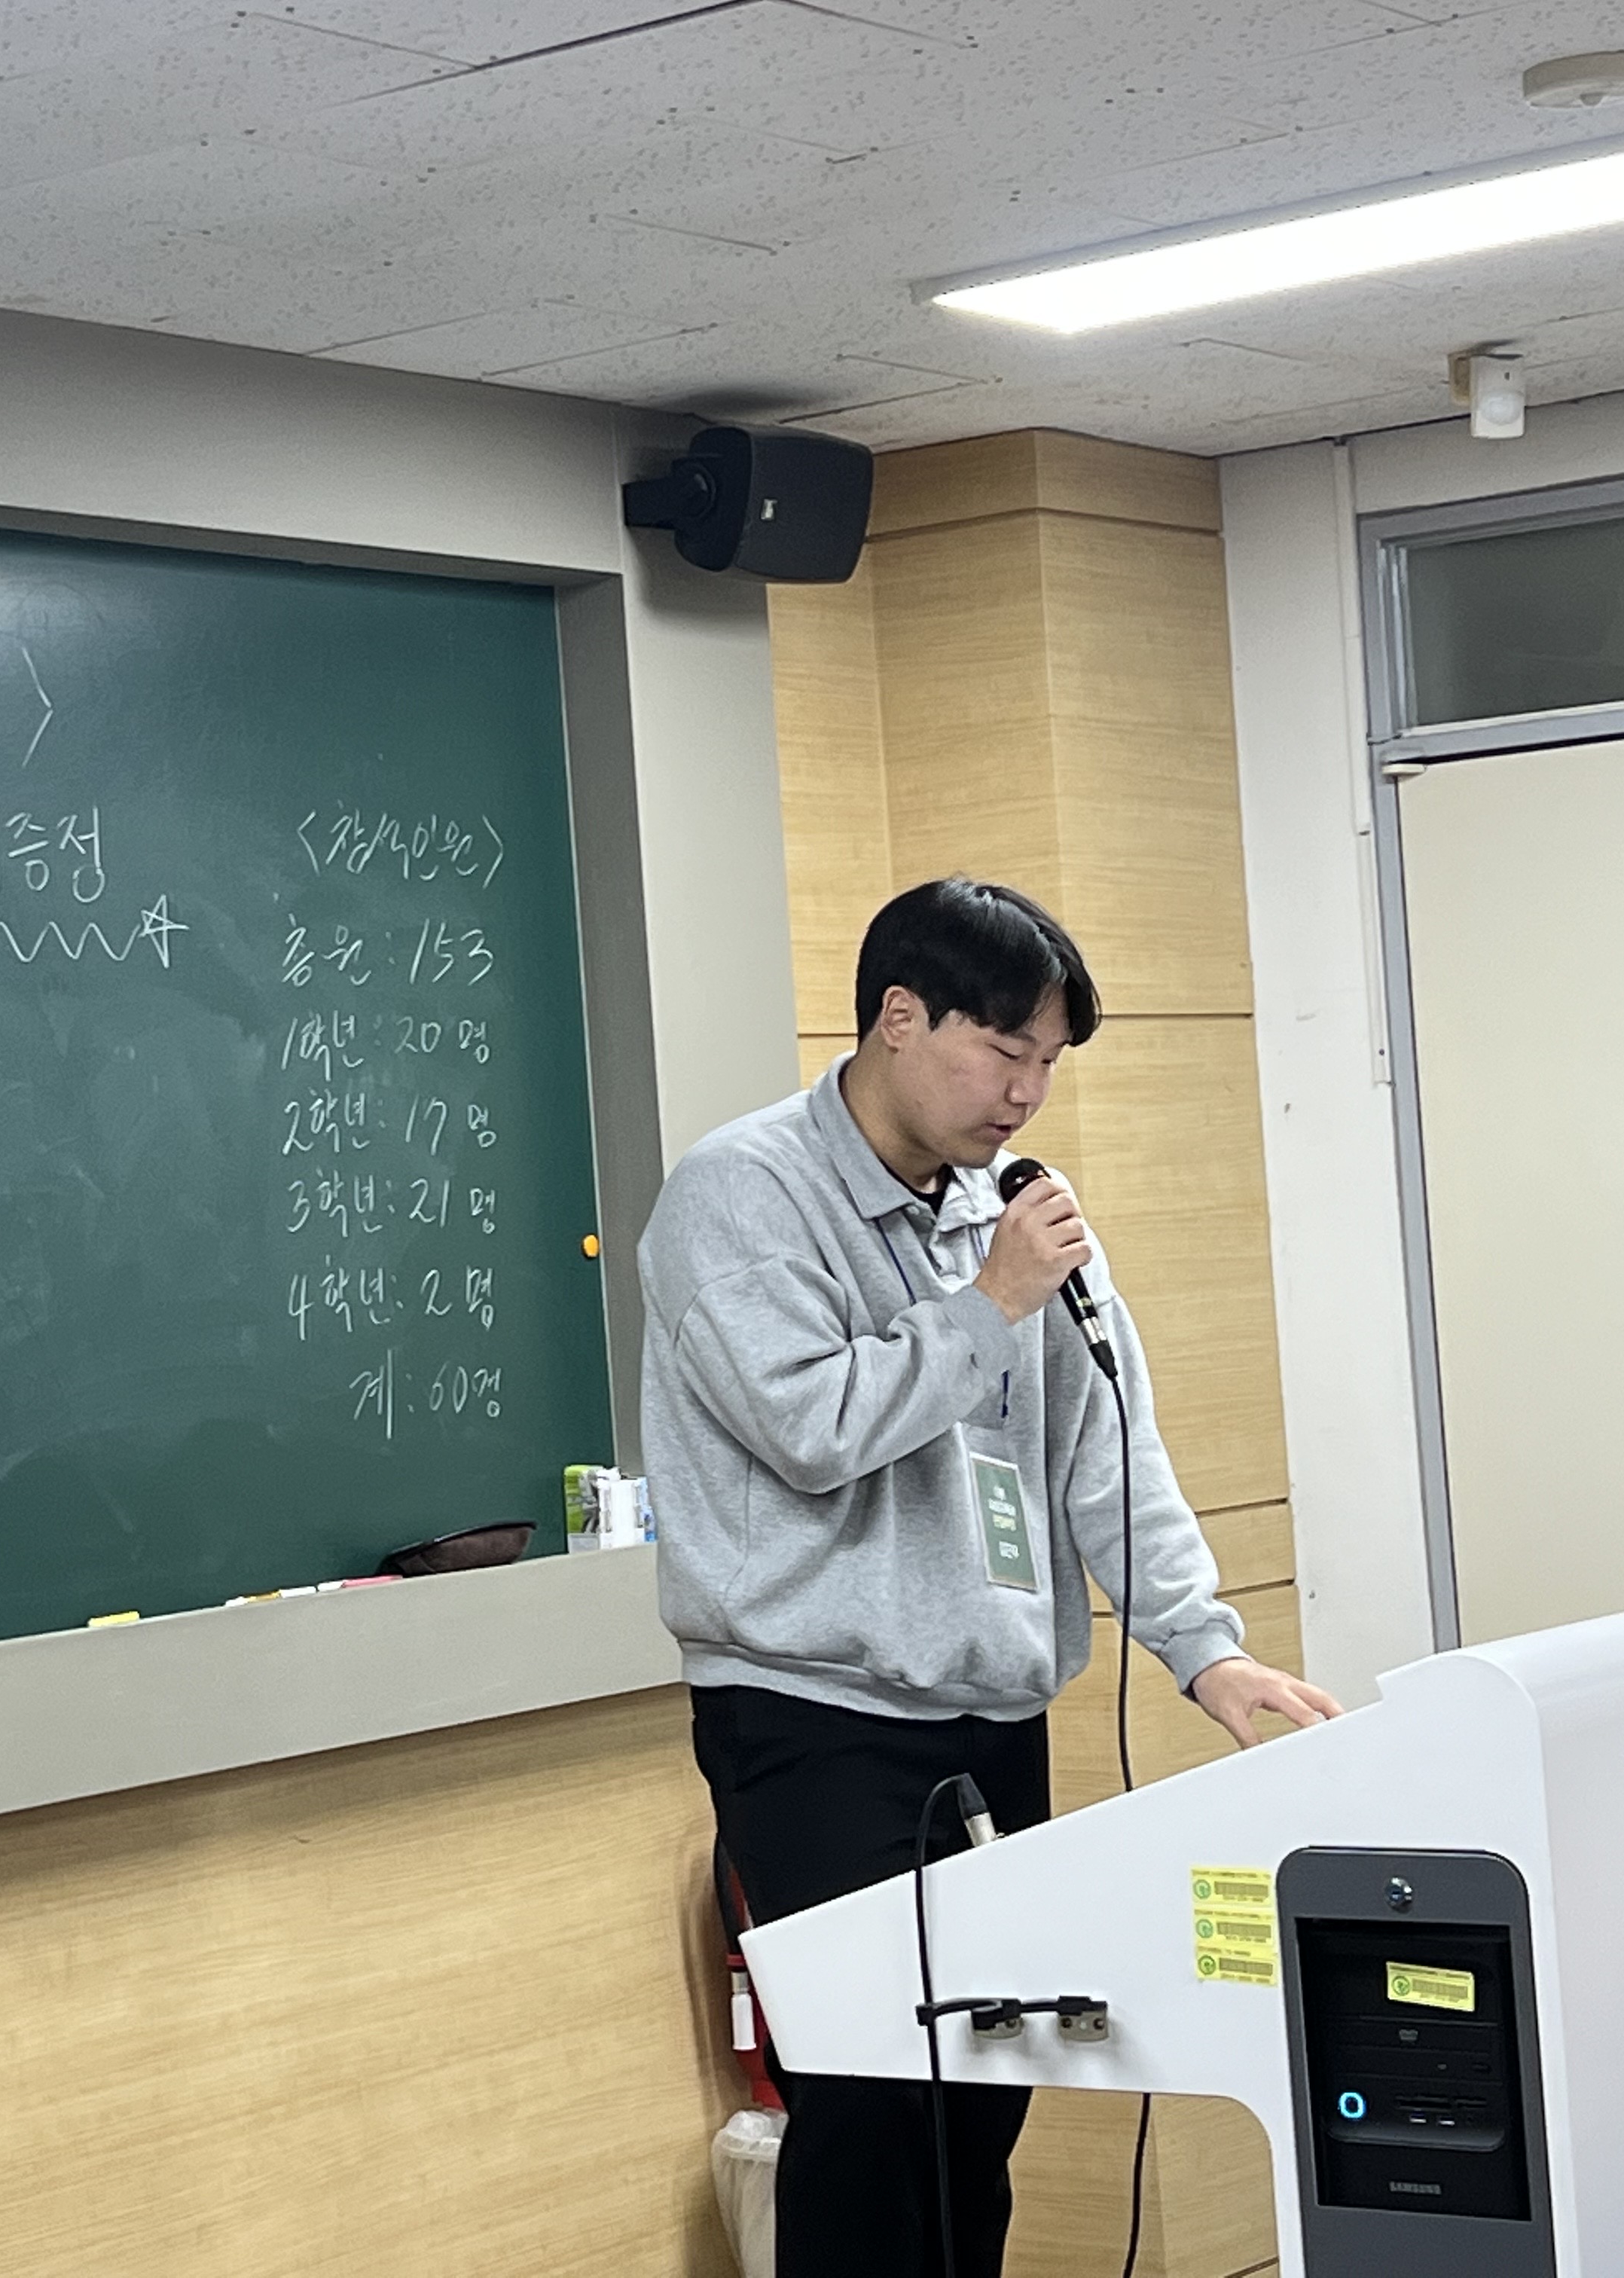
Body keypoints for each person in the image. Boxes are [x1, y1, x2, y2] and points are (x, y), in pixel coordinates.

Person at [641, 876, 1340, 2278]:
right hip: (815, 1721)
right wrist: (988, 1305)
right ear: (899, 1018)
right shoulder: (744, 1194)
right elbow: (813, 1427)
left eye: (1049, 1063)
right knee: (871, 2104)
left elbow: (1106, 1451)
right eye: (1004, 1051)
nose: (1027, 1095)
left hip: (993, 1718)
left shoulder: (1013, 1213)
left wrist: (1205, 1649)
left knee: (986, 2100)